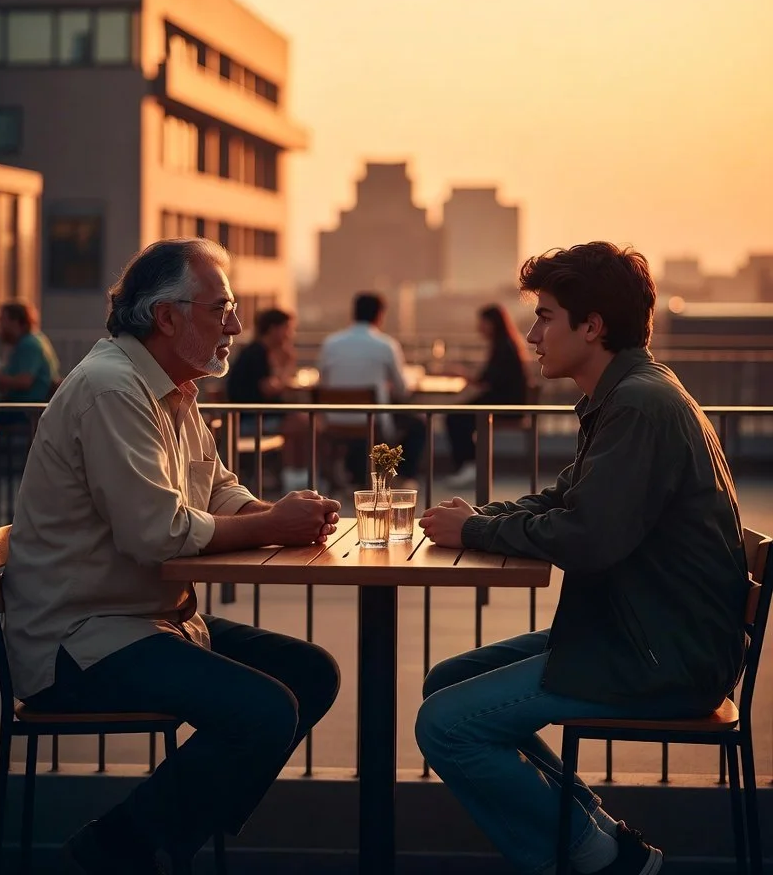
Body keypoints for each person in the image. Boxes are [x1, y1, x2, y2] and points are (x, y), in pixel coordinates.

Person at [3, 238, 341, 875]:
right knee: (265, 711)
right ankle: (120, 848)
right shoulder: (113, 390)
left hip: (149, 621)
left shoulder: (170, 388)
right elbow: (155, 534)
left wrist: (279, 516)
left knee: (312, 674)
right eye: (223, 308)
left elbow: (215, 488)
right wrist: (275, 524)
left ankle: (146, 840)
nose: (236, 325)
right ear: (167, 317)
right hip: (79, 642)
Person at [416, 242, 748, 875]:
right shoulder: (631, 393)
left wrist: (477, 533)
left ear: (591, 326)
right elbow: (568, 500)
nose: (533, 334)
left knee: (446, 725)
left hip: (659, 657)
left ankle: (597, 860)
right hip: (645, 634)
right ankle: (599, 841)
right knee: (448, 684)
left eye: (545, 316)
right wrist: (480, 522)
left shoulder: (639, 405)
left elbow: (587, 537)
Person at [318, 292, 425, 485]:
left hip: (334, 419)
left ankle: (352, 474)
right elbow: (402, 390)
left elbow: (322, 381)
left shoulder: (330, 343)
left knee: (360, 431)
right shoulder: (386, 345)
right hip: (373, 421)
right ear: (380, 315)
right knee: (419, 424)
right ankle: (404, 478)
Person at [444, 303, 529, 487]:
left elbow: (487, 380)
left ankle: (471, 465)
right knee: (458, 416)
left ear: (492, 323)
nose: (479, 327)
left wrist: (462, 374)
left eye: (482, 322)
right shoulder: (505, 343)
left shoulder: (503, 347)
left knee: (455, 418)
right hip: (504, 403)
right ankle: (471, 465)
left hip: (504, 407)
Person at [226, 306, 311, 492]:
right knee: (303, 423)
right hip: (249, 418)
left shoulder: (258, 351)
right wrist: (287, 365)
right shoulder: (257, 353)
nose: (291, 334)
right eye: (288, 329)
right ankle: (296, 478)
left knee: (303, 421)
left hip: (256, 415)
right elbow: (268, 388)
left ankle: (296, 475)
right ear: (274, 329)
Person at [0, 300, 60, 405]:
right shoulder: (36, 338)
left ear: (16, 322)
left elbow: (24, 381)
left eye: (2, 320)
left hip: (24, 408)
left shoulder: (28, 344)